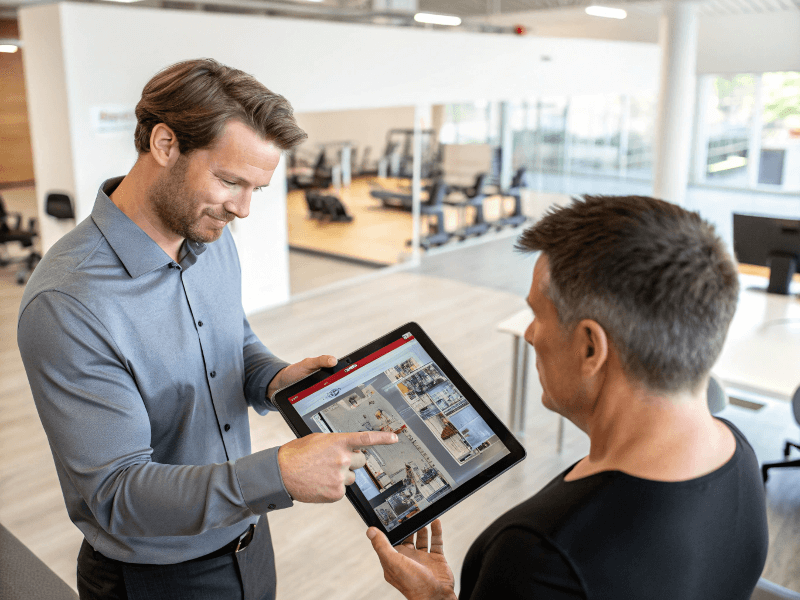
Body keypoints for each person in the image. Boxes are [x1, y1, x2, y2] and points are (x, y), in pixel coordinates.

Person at [17, 58, 396, 600]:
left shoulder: (209, 236)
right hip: (157, 577)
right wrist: (279, 475)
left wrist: (274, 378)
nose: (242, 209)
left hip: (247, 540)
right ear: (165, 144)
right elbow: (114, 492)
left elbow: (230, 342)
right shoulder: (69, 302)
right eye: (229, 181)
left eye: (255, 190)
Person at [367, 195, 769, 600]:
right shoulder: (738, 454)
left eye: (537, 316)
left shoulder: (540, 556)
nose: (529, 334)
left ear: (591, 348)